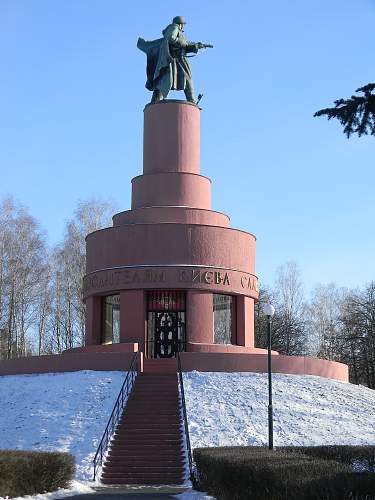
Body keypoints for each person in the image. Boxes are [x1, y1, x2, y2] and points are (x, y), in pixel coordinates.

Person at [137, 16, 211, 103]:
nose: (183, 26)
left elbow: (182, 46)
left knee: (164, 80)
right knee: (185, 78)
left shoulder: (176, 30)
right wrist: (183, 43)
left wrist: (194, 47)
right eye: (183, 24)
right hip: (176, 59)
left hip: (176, 59)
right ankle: (191, 100)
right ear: (181, 24)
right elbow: (171, 38)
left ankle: (155, 101)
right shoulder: (174, 27)